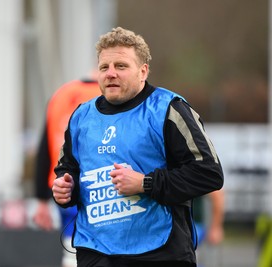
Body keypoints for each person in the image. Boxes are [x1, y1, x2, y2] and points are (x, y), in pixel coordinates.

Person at [52, 27, 224, 267]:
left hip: (158, 252)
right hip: (95, 250)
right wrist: (63, 189)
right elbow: (66, 169)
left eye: (121, 66)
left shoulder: (168, 109)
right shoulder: (81, 116)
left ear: (143, 71)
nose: (111, 74)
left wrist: (145, 183)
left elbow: (209, 174)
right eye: (104, 67)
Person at [33, 77, 101, 267]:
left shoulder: (60, 95)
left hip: (61, 184)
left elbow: (44, 147)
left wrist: (41, 198)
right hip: (99, 185)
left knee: (71, 246)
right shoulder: (109, 95)